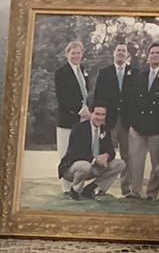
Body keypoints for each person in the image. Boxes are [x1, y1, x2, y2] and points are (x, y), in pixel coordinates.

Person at [123, 41, 159, 199]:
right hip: (138, 126)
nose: (154, 55)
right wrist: (131, 123)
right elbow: (131, 100)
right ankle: (135, 191)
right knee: (136, 162)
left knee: (157, 163)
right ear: (148, 57)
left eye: (157, 53)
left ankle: (151, 193)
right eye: (152, 53)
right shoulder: (140, 75)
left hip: (158, 127)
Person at [60, 103, 121, 199]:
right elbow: (76, 152)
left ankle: (90, 189)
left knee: (120, 164)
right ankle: (75, 191)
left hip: (94, 167)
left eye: (103, 115)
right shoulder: (79, 128)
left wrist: (106, 156)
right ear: (91, 113)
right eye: (97, 114)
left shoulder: (105, 130)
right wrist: (95, 159)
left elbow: (111, 150)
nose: (100, 118)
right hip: (73, 168)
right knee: (85, 166)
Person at [52, 38, 92, 167]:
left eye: (78, 53)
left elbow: (87, 91)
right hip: (67, 120)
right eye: (73, 53)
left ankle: (78, 187)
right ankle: (66, 187)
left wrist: (88, 110)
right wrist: (79, 110)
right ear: (67, 54)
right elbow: (62, 97)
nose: (76, 56)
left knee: (80, 155)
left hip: (83, 121)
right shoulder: (61, 72)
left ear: (82, 54)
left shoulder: (83, 70)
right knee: (65, 155)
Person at [91, 41, 131, 135]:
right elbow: (98, 96)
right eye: (118, 50)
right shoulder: (104, 73)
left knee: (127, 150)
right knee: (107, 149)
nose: (120, 52)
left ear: (127, 54)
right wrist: (99, 117)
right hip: (108, 120)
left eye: (123, 51)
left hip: (128, 122)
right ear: (114, 52)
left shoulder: (135, 73)